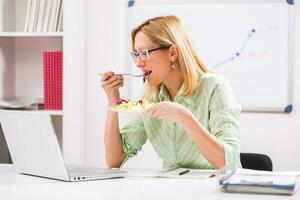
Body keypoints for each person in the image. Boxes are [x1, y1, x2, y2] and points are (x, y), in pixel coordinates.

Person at [100, 15, 241, 170]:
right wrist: (113, 101)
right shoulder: (150, 97)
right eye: (136, 54)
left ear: (172, 53)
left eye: (144, 53)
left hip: (213, 191)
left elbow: (230, 164)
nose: (139, 63)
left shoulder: (215, 87)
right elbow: (114, 160)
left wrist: (184, 116)